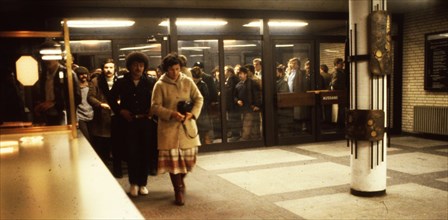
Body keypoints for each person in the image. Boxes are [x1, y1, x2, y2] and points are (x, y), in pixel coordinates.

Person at [151, 53, 204, 206]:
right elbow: (154, 107)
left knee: (189, 161)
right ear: (166, 69)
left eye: (177, 69)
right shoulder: (160, 85)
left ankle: (181, 182)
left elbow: (199, 98)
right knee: (173, 164)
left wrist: (192, 113)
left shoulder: (187, 81)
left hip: (187, 127)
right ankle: (178, 190)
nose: (175, 72)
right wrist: (171, 114)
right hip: (168, 130)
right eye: (171, 69)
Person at [108, 52, 157, 197]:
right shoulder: (121, 82)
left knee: (145, 152)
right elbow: (111, 99)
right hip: (128, 123)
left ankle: (143, 183)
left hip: (146, 122)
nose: (138, 68)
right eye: (135, 65)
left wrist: (152, 111)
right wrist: (120, 111)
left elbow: (158, 99)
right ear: (129, 66)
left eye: (141, 65)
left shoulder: (150, 82)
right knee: (131, 153)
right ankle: (133, 183)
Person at [88, 59, 126, 178]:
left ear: (115, 68)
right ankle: (103, 173)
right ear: (103, 68)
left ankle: (118, 172)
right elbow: (90, 97)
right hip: (102, 117)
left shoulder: (120, 81)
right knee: (103, 147)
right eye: (106, 67)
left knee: (117, 147)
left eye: (111, 67)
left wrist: (121, 102)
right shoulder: (96, 81)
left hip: (117, 117)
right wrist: (100, 104)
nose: (108, 70)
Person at [34, 40, 81, 126]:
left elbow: (76, 98)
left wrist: (54, 103)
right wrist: (39, 105)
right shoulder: (43, 75)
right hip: (46, 116)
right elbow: (41, 94)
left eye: (50, 55)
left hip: (64, 116)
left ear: (57, 56)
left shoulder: (68, 74)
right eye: (44, 55)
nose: (47, 59)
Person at [234, 66, 261, 141]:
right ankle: (248, 138)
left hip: (251, 107)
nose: (239, 75)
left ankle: (245, 138)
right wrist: (237, 101)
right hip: (243, 108)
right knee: (248, 124)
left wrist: (257, 105)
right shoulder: (238, 84)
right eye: (239, 74)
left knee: (250, 124)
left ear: (245, 74)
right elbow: (235, 96)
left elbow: (257, 95)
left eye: (241, 73)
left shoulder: (253, 83)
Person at [191, 66, 213, 144]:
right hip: (199, 110)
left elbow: (206, 98)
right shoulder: (200, 84)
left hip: (201, 110)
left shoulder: (202, 84)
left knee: (204, 131)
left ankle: (206, 145)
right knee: (201, 130)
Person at [74, 66, 94, 143]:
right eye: (81, 74)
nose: (84, 76)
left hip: (92, 115)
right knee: (85, 139)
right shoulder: (75, 88)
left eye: (85, 74)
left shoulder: (91, 85)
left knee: (93, 139)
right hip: (80, 116)